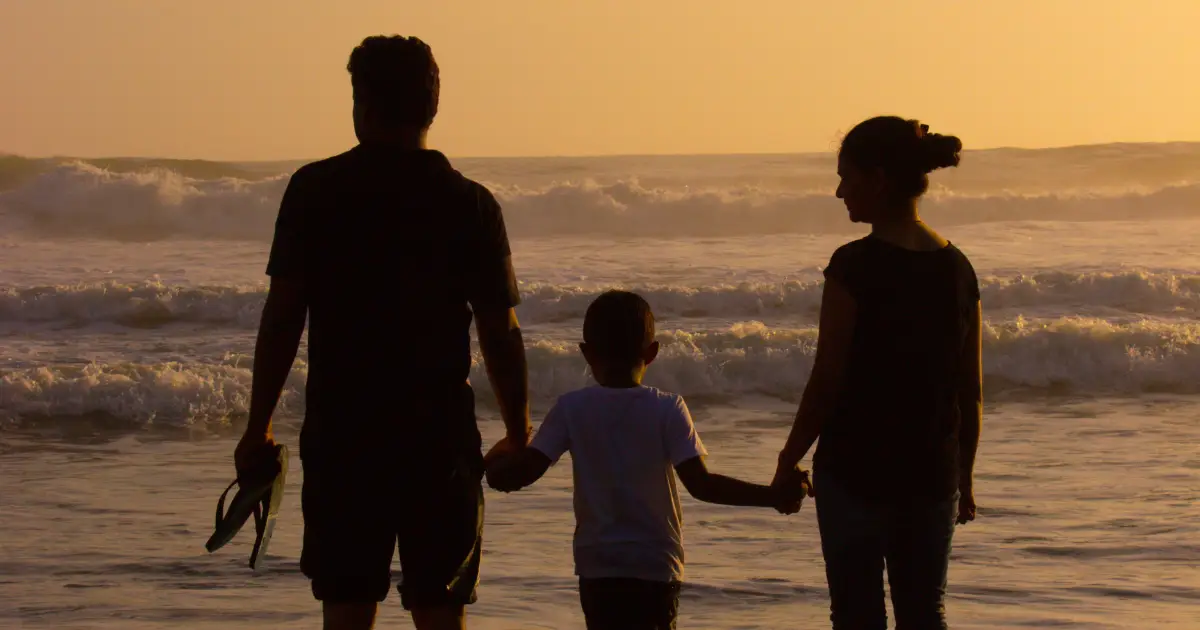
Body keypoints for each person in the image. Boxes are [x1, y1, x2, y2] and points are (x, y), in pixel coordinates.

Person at [234, 35, 531, 630]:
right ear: (433, 106)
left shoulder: (316, 190)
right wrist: (519, 430)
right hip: (439, 436)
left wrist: (258, 426)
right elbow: (500, 329)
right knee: (440, 606)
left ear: (362, 103)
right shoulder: (470, 204)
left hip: (345, 431)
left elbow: (283, 315)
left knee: (346, 604)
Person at [486, 290, 811, 630]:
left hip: (599, 568)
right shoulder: (668, 408)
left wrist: (490, 462)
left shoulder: (571, 409)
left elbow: (520, 474)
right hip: (656, 565)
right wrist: (772, 496)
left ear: (586, 353)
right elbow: (702, 485)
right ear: (652, 352)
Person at [771, 117, 983, 629]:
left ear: (879, 180)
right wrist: (965, 476)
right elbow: (969, 389)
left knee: (856, 614)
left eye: (847, 177)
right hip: (931, 471)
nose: (839, 190)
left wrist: (788, 458)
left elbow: (828, 378)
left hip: (854, 469)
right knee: (924, 613)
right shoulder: (958, 268)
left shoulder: (853, 266)